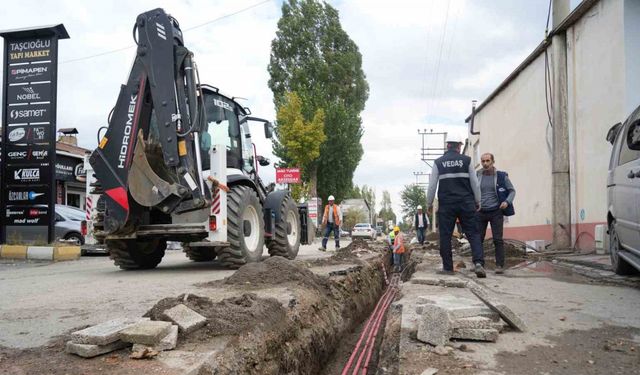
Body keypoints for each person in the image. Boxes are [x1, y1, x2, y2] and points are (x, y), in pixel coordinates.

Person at [426, 133, 486, 278]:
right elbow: (475, 184)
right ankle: (478, 262)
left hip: (446, 205)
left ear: (447, 146)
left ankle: (448, 267)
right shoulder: (467, 160)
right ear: (459, 146)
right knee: (473, 234)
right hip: (466, 203)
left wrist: (429, 204)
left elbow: (432, 185)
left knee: (445, 235)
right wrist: (478, 201)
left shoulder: (438, 162)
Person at [476, 153, 516, 274]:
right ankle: (478, 264)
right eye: (483, 161)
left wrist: (507, 201)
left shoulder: (501, 176)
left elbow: (512, 191)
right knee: (478, 239)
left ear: (493, 162)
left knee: (497, 239)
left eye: (488, 161)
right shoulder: (477, 175)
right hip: (480, 211)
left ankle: (499, 265)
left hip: (496, 211)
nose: (485, 163)